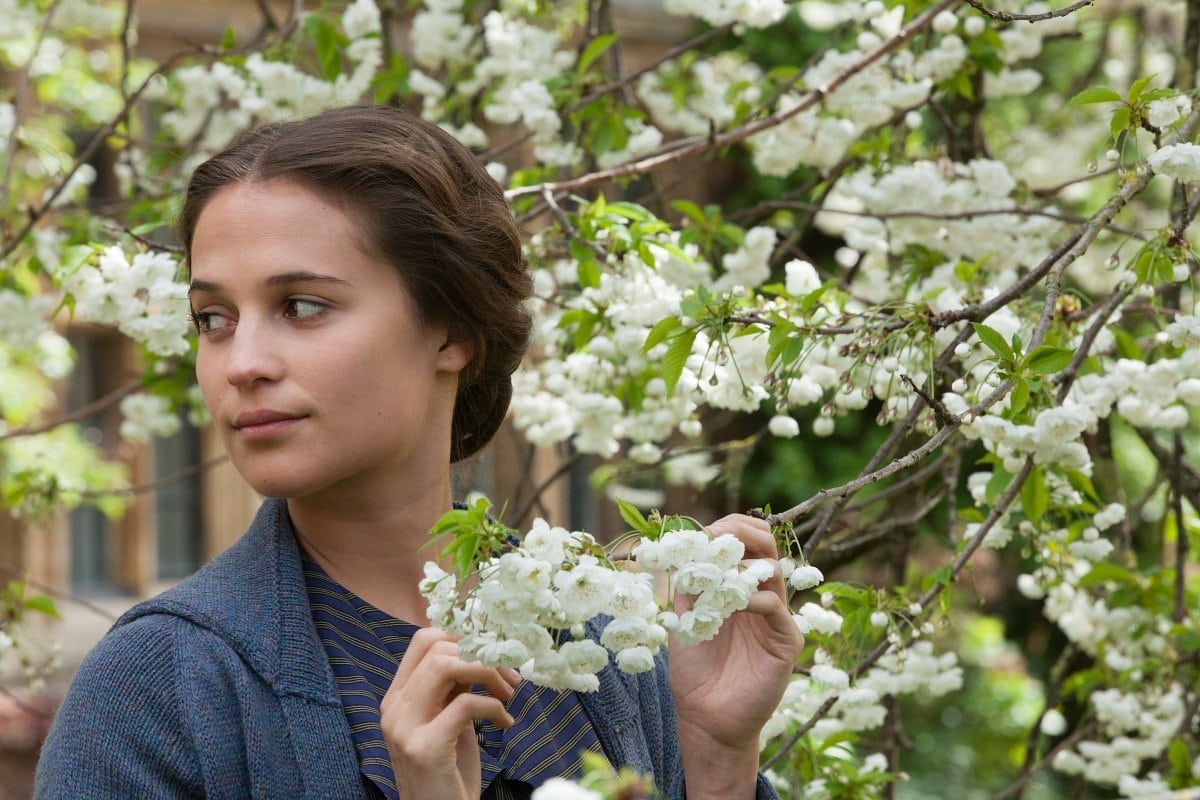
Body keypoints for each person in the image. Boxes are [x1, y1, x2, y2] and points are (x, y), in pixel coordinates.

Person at [34, 104, 802, 799]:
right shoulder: (162, 686)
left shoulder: (600, 642)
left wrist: (713, 759)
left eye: (302, 306)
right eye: (213, 318)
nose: (242, 363)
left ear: (452, 330)